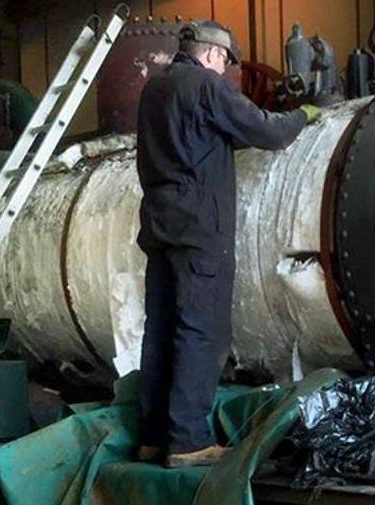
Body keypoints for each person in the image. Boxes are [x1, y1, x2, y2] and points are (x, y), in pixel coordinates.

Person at [135, 21, 320, 468]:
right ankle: (189, 442)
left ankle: (154, 438)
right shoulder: (205, 86)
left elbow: (199, 138)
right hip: (200, 226)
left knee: (160, 330)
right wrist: (303, 116)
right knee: (201, 330)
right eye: (224, 63)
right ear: (215, 56)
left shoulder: (155, 89)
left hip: (160, 224)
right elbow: (269, 132)